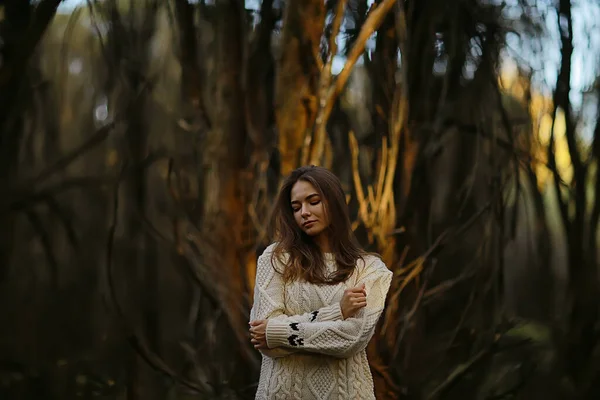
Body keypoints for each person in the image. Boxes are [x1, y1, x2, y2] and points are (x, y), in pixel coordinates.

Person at [249, 165, 393, 399]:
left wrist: (279, 332)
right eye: (296, 207)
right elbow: (265, 342)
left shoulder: (370, 270)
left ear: (334, 202)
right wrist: (336, 312)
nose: (304, 212)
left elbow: (352, 338)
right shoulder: (276, 259)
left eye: (313, 201)